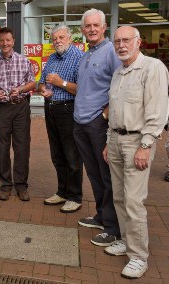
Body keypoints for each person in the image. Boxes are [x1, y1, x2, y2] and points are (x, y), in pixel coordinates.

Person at [102, 26, 168, 279]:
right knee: (119, 197)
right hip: (117, 140)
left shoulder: (153, 68)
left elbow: (158, 110)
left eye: (126, 40)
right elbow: (115, 112)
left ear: (138, 42)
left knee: (133, 201)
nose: (121, 45)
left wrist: (146, 145)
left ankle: (139, 256)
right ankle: (127, 242)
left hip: (138, 143)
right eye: (117, 41)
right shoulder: (119, 72)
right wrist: (109, 141)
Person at [74, 9, 122, 247]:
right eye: (87, 26)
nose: (91, 29)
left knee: (107, 176)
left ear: (104, 28)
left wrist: (104, 114)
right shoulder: (86, 55)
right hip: (81, 123)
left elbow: (120, 85)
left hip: (98, 123)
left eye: (96, 25)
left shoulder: (111, 51)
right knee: (94, 174)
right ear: (82, 30)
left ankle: (113, 227)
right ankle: (102, 216)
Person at [0, 27, 35, 202]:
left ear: (13, 41)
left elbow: (32, 83)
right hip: (2, 109)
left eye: (8, 40)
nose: (5, 43)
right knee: (2, 147)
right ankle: (6, 185)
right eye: (2, 40)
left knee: (22, 147)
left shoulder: (23, 61)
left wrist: (19, 89)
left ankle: (21, 186)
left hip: (20, 107)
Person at [39, 25, 84, 213]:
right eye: (54, 38)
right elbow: (42, 81)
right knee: (57, 154)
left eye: (61, 37)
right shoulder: (51, 58)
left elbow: (82, 89)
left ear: (70, 38)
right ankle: (62, 191)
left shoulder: (79, 58)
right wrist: (43, 89)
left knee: (72, 156)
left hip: (68, 110)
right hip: (51, 109)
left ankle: (75, 196)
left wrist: (61, 83)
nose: (57, 41)